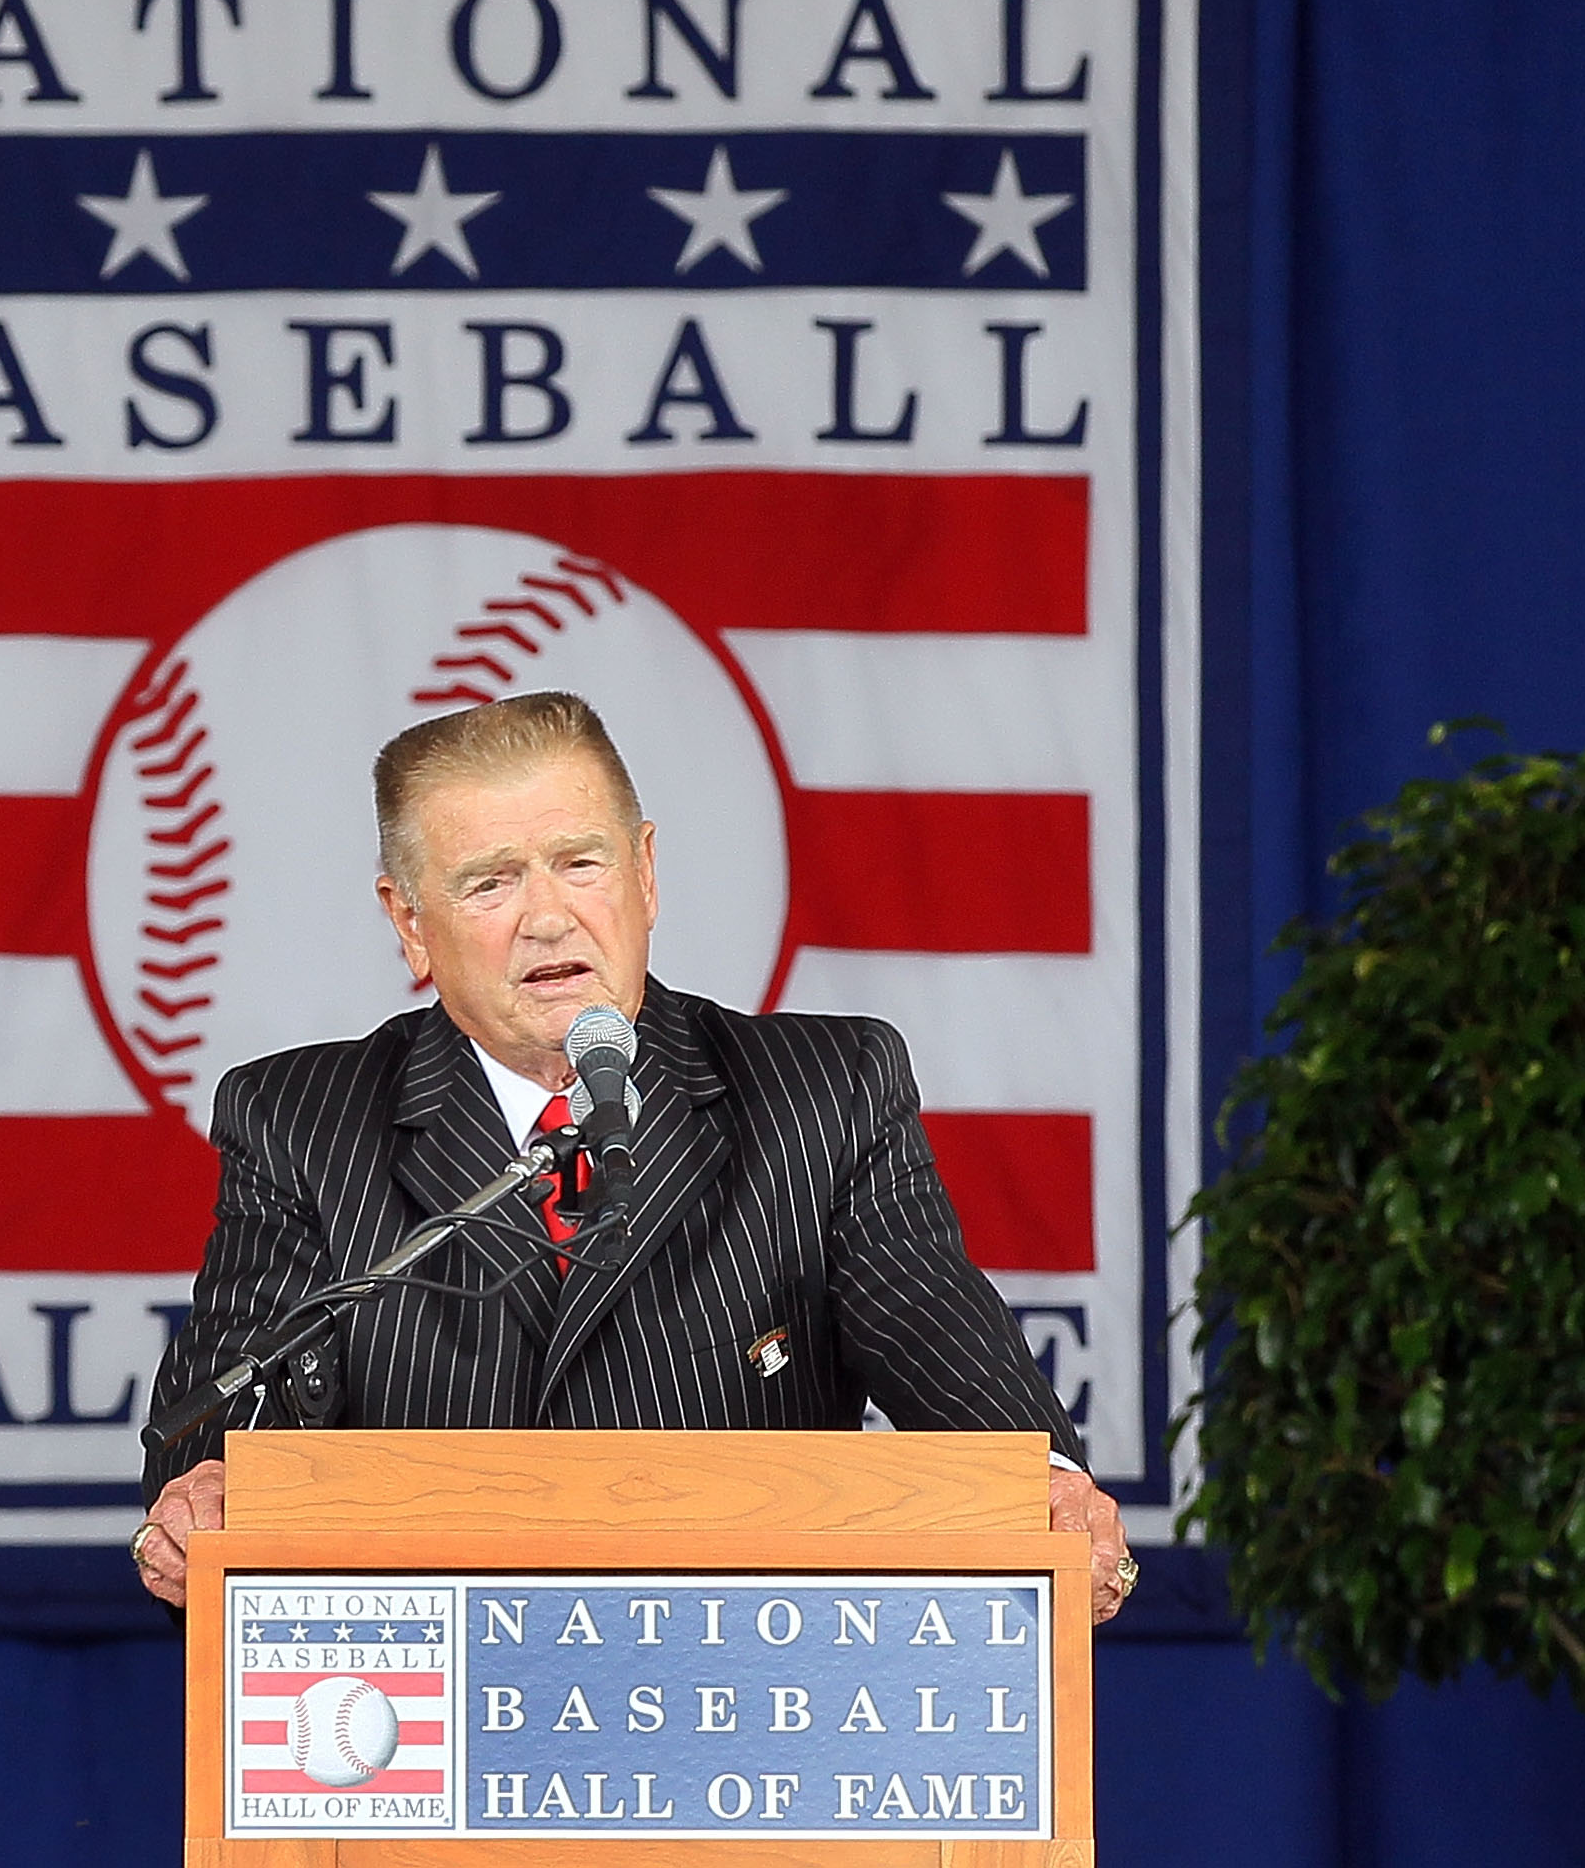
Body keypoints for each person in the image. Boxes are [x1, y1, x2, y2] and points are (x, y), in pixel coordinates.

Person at [132, 691, 1137, 1622]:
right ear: (410, 923)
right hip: (422, 1720)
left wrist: (1047, 1495)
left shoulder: (824, 1094)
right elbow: (213, 1446)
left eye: (581, 862)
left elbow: (959, 1376)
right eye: (490, 883)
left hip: (752, 1704)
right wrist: (210, 1494)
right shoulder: (303, 1121)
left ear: (646, 873)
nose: (547, 914)